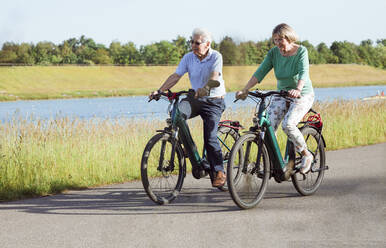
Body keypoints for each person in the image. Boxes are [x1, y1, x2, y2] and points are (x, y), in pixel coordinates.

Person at [149, 28, 227, 187]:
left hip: (213, 101)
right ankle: (189, 148)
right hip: (195, 98)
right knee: (176, 114)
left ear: (207, 44)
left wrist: (205, 89)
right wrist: (160, 90)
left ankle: (219, 171)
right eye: (191, 41)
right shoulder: (188, 57)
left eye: (197, 42)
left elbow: (214, 77)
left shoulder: (216, 56)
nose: (193, 45)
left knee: (210, 137)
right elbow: (176, 75)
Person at [235, 23, 315, 174]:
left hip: (302, 94)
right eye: (275, 40)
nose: (278, 43)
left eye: (280, 40)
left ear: (289, 38)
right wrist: (245, 90)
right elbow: (260, 72)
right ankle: (274, 162)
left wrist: (298, 89)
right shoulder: (274, 53)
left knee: (288, 125)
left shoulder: (301, 51)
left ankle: (306, 154)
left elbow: (304, 72)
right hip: (281, 94)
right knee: (266, 128)